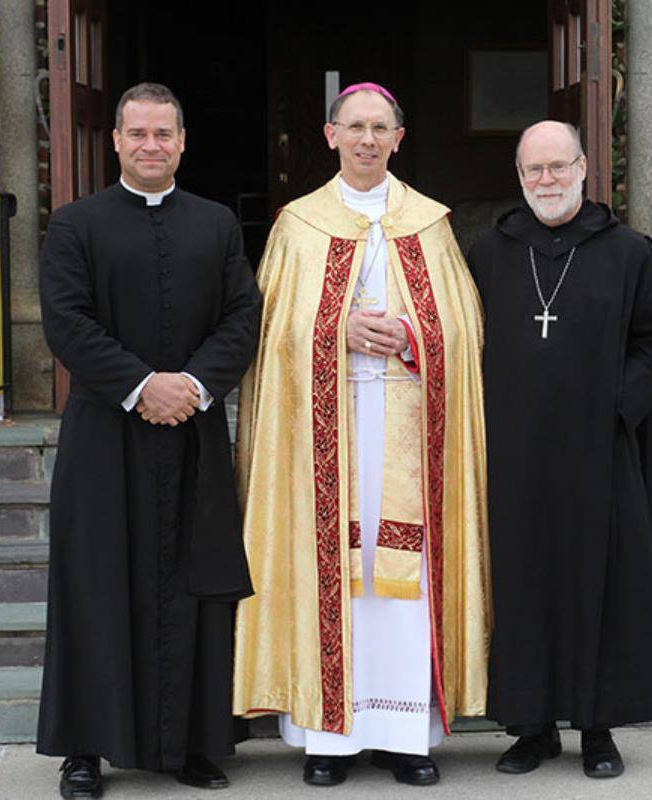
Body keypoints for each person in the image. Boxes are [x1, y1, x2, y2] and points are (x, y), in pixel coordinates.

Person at [232, 82, 489, 788]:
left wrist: (413, 334)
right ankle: (326, 736)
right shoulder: (298, 224)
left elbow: (464, 329)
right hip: (326, 431)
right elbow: (268, 330)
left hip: (408, 424)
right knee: (333, 573)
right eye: (355, 128)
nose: (367, 140)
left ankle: (407, 734)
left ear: (399, 138)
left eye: (380, 128)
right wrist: (332, 331)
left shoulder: (429, 224)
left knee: (399, 579)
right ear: (330, 135)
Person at [36, 82, 262, 798]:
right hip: (106, 435)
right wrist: (142, 387)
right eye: (138, 133)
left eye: (164, 133)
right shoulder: (75, 225)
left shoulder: (216, 224)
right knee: (95, 587)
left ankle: (193, 744)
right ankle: (85, 749)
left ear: (183, 141)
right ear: (116, 141)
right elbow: (67, 323)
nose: (151, 146)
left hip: (191, 434)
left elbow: (241, 319)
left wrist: (193, 387)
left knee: (196, 586)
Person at [467, 120, 652, 779]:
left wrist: (616, 405)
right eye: (534, 170)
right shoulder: (487, 252)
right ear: (518, 176)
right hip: (513, 455)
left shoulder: (627, 250)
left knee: (600, 585)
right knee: (522, 585)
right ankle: (529, 729)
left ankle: (596, 730)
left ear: (584, 168)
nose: (547, 181)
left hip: (597, 456)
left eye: (558, 167)